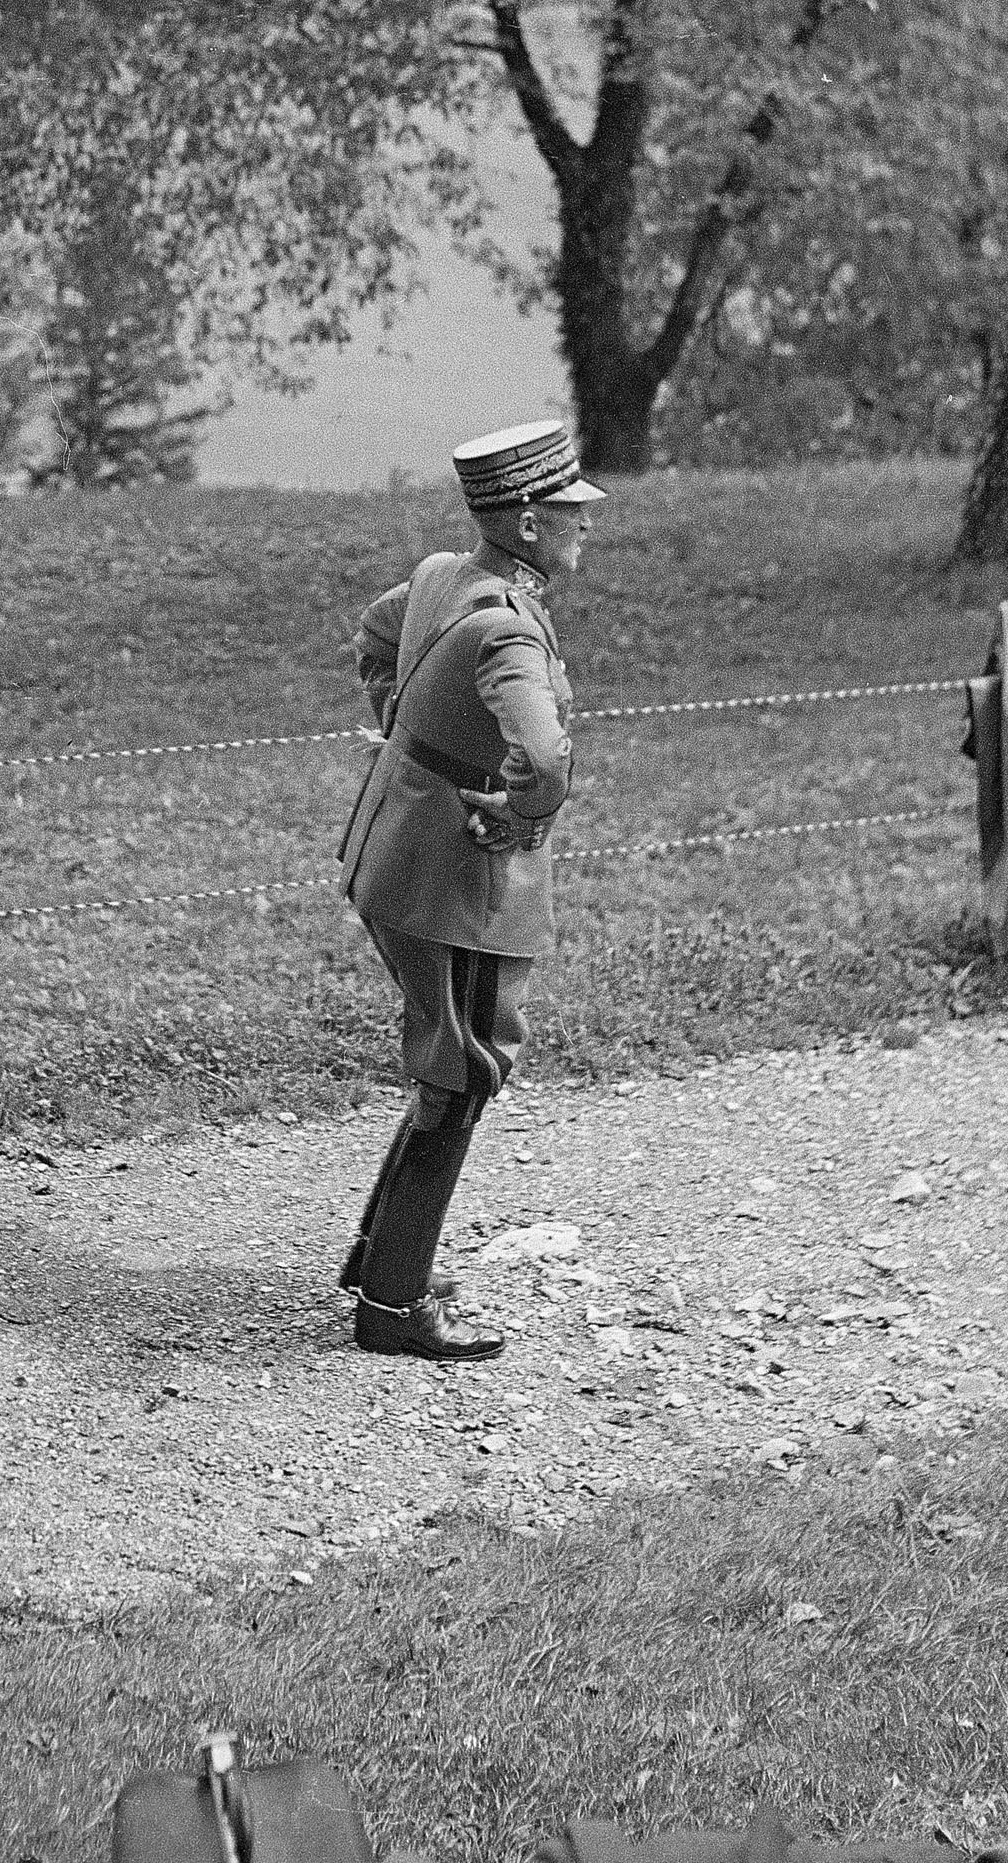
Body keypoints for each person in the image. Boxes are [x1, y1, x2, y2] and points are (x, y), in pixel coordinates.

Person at [335, 417, 603, 1362]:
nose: (585, 522)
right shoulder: (507, 629)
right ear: (527, 523)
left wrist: (415, 740)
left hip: (392, 853)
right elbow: (545, 758)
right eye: (569, 510)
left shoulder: (444, 575)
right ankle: (393, 1305)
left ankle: (380, 1261)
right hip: (454, 885)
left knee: (445, 1067)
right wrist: (520, 813)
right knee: (462, 1072)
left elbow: (373, 637)